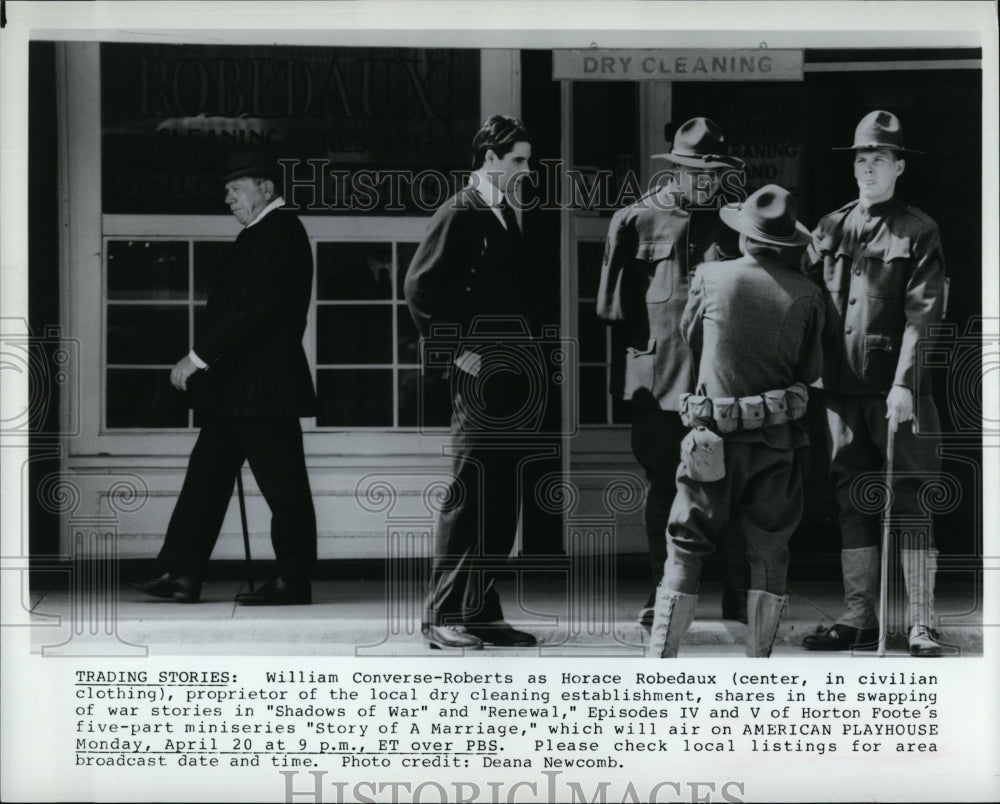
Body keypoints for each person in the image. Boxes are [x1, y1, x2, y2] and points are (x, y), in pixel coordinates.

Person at [129, 151, 318, 605]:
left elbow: (253, 307)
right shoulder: (261, 234)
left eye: (236, 189)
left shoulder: (281, 230)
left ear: (266, 190)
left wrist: (198, 358)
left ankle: (293, 581)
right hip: (237, 390)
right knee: (206, 480)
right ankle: (181, 572)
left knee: (283, 486)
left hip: (264, 389)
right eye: (227, 191)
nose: (227, 198)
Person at [648, 184, 824, 658]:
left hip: (713, 439)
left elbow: (691, 339)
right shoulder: (808, 294)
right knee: (769, 547)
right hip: (776, 443)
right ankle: (759, 659)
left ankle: (661, 658)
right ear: (787, 245)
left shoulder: (709, 276)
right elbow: (809, 371)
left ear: (745, 237)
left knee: (686, 539)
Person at [801, 110, 951, 656]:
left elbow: (924, 313)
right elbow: (808, 299)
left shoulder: (918, 229)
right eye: (862, 159)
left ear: (899, 166)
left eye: (879, 159)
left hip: (897, 393)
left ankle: (921, 622)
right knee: (850, 498)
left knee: (909, 499)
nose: (868, 169)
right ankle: (861, 614)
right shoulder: (830, 226)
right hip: (841, 390)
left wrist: (906, 383)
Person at [596, 117, 751, 628]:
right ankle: (663, 592)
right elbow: (614, 312)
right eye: (691, 170)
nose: (702, 181)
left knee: (726, 486)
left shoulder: (736, 224)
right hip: (659, 382)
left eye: (712, 172)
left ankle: (736, 592)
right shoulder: (636, 220)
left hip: (721, 380)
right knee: (663, 486)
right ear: (674, 169)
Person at [404, 115, 539, 650]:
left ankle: (481, 612)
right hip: (480, 379)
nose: (526, 170)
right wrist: (457, 351)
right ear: (489, 158)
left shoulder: (502, 211)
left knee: (501, 495)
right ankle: (441, 616)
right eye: (518, 161)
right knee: (471, 492)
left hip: (510, 376)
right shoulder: (460, 210)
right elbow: (420, 287)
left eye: (527, 160)